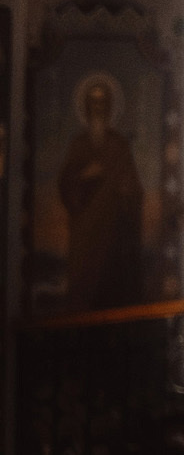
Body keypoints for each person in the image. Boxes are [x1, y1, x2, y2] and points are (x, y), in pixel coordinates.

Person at [57, 76, 144, 312]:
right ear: (86, 107)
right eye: (93, 102)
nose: (98, 107)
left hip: (111, 229)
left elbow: (135, 189)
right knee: (83, 284)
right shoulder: (79, 144)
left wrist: (127, 192)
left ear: (110, 107)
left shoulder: (119, 145)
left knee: (110, 285)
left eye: (103, 102)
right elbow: (65, 185)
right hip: (84, 229)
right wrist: (85, 176)